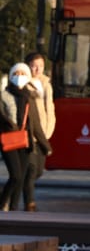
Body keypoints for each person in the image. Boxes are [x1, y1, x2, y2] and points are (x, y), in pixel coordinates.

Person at [0, 62, 51, 212]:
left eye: (23, 74)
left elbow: (35, 124)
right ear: (11, 76)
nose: (19, 77)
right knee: (15, 175)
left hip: (24, 141)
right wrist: (9, 125)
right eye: (16, 74)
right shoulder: (3, 95)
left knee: (21, 178)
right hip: (8, 139)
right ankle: (2, 203)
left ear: (28, 77)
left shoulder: (29, 97)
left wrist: (45, 146)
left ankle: (14, 208)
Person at [23, 52, 55, 212]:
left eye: (41, 66)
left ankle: (14, 186)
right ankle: (30, 202)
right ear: (27, 66)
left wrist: (49, 130)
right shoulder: (24, 85)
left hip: (44, 133)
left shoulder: (46, 84)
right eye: (34, 66)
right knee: (32, 169)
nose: (37, 69)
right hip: (30, 135)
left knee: (39, 171)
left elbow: (50, 108)